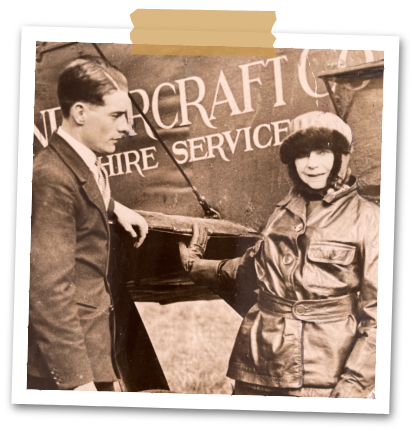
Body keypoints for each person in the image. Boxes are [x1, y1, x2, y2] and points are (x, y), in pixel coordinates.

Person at [179, 111, 379, 398]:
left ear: (341, 157)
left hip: (323, 377)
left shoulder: (370, 219)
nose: (311, 164)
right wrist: (195, 265)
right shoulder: (282, 212)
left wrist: (354, 385)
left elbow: (381, 317)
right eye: (301, 154)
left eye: (322, 152)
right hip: (258, 368)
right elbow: (251, 268)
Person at [28, 55, 151, 391]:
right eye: (116, 116)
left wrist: (113, 206)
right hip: (64, 368)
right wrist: (78, 381)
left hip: (93, 348)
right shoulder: (50, 178)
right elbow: (47, 291)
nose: (127, 127)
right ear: (80, 113)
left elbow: (80, 194)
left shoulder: (77, 162)